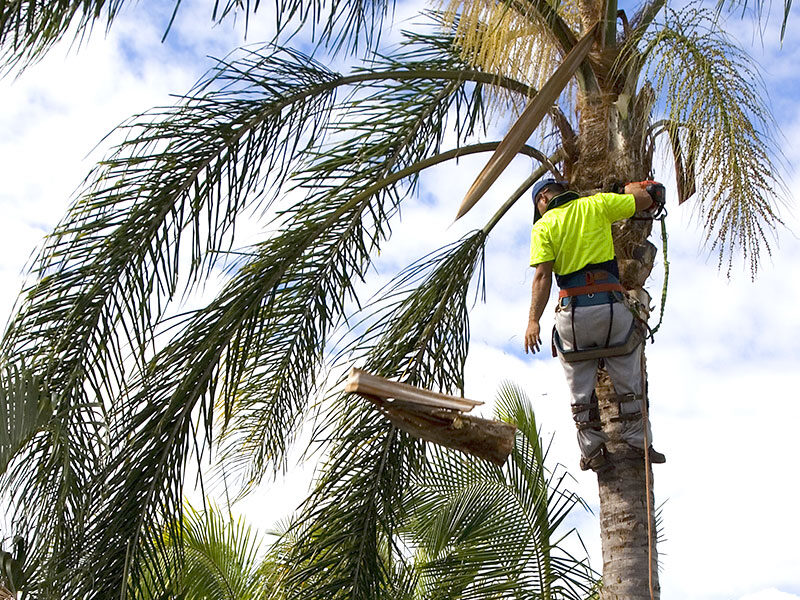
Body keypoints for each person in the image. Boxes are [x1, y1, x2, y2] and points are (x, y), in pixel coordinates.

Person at [523, 179, 666, 472]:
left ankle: (593, 451)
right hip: (611, 308)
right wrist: (631, 188)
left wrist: (533, 321)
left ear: (543, 199)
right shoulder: (596, 204)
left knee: (579, 388)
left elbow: (542, 277)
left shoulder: (544, 226)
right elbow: (646, 198)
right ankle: (639, 443)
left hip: (574, 315)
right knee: (629, 376)